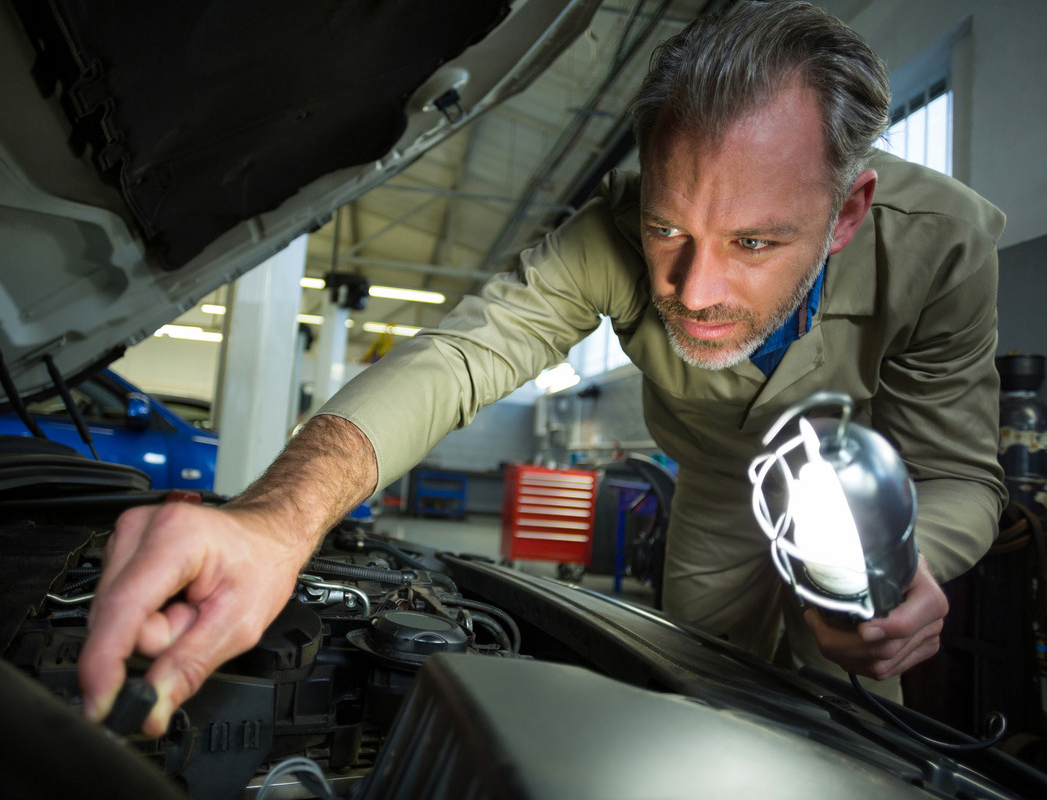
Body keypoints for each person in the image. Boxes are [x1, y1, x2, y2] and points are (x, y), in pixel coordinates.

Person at [79, 0, 1006, 736]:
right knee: (697, 691)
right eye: (668, 230)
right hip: (722, 487)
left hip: (869, 511)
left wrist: (911, 568)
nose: (693, 288)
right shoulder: (608, 227)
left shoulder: (943, 247)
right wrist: (278, 519)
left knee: (853, 713)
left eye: (755, 241)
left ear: (847, 214)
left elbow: (959, 472)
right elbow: (463, 355)